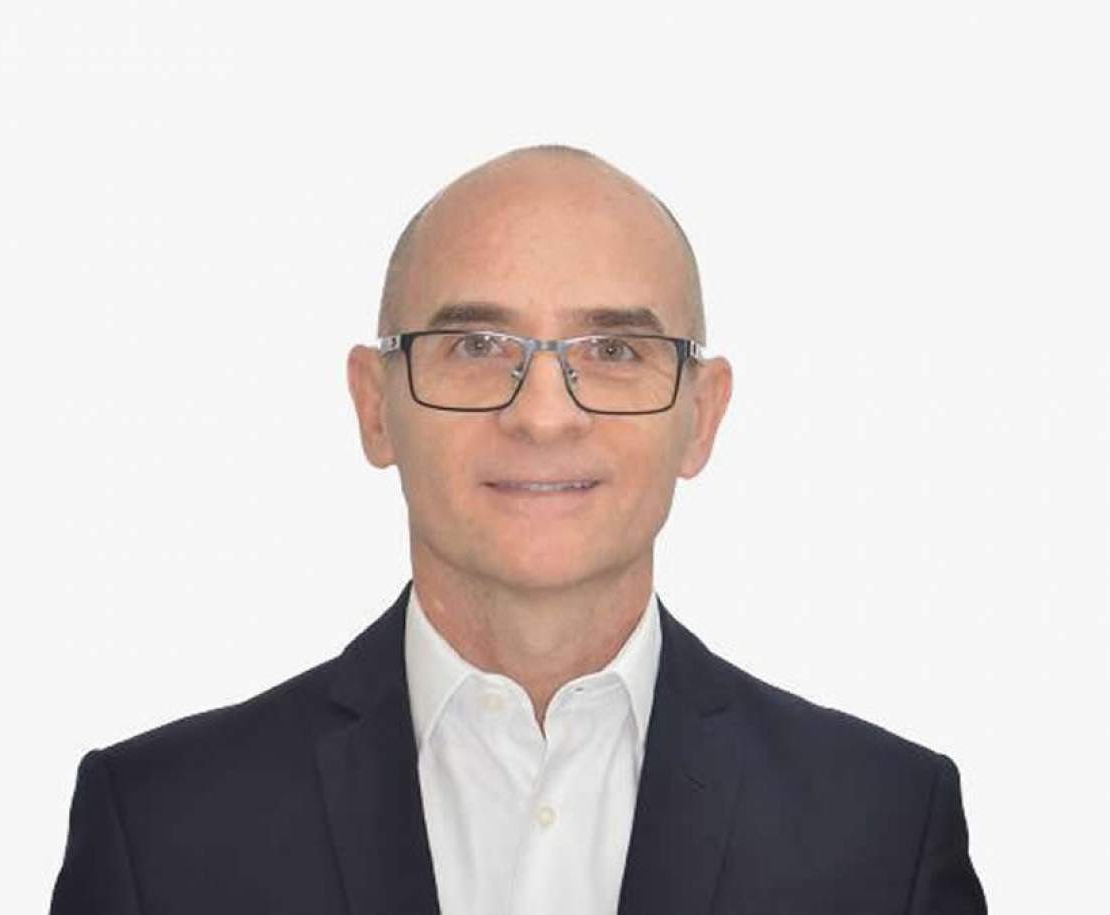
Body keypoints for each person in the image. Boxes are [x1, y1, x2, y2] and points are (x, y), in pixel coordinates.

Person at [49, 145, 988, 914]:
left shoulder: (884, 831)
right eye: (476, 346)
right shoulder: (160, 830)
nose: (543, 415)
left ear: (701, 416)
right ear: (375, 408)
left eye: (614, 349)